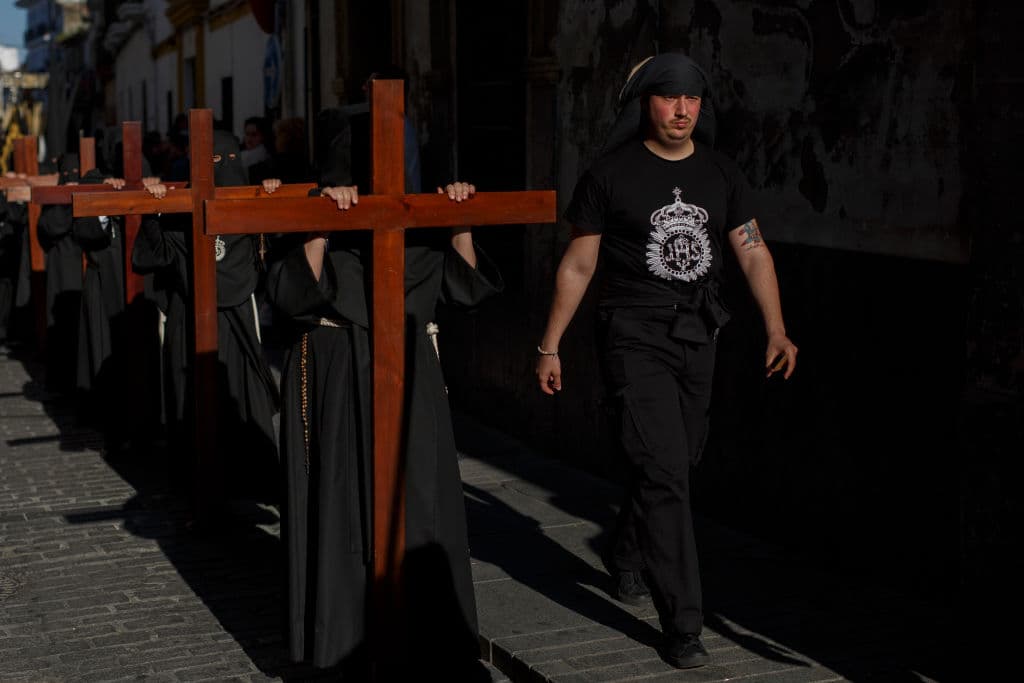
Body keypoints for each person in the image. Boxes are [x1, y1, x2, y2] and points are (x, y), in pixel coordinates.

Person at [534, 53, 799, 670]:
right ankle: (683, 623)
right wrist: (550, 345)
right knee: (666, 474)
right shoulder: (610, 175)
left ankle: (628, 551)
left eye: (693, 100)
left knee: (679, 461)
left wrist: (777, 328)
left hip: (698, 334)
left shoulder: (721, 174)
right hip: (632, 334)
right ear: (645, 104)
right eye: (669, 98)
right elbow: (578, 264)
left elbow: (753, 253)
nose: (682, 110)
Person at [265, 154, 501, 677]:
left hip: (409, 371)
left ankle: (426, 634)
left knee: (420, 497)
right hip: (336, 371)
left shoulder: (415, 216)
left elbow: (463, 293)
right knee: (341, 502)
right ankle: (344, 638)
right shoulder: (316, 214)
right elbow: (291, 298)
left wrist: (456, 218)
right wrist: (321, 226)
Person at [133, 131, 281, 503]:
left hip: (238, 320)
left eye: (229, 162)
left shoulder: (251, 202)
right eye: (214, 163)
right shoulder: (182, 205)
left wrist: (270, 193)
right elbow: (153, 255)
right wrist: (154, 208)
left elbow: (279, 244)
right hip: (191, 317)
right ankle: (198, 480)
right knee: (196, 398)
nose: (224, 170)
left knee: (239, 396)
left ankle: (250, 477)